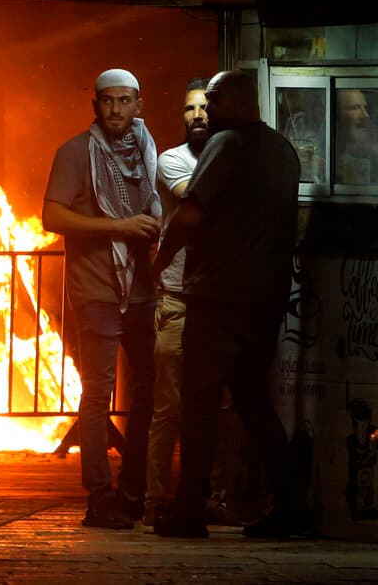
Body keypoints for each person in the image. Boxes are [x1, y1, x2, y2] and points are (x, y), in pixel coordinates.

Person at [152, 71, 301, 539]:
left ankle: (189, 513)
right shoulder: (283, 150)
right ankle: (288, 511)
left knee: (198, 406)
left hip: (217, 298)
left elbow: (191, 213)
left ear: (235, 100)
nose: (207, 110)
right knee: (255, 404)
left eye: (213, 100)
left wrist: (158, 262)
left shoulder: (226, 144)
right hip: (266, 299)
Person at [42, 68, 161, 529]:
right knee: (97, 394)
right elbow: (51, 215)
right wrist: (118, 226)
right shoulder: (75, 152)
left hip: (144, 290)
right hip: (96, 289)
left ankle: (133, 488)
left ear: (138, 104)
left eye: (124, 101)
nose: (116, 109)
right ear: (96, 105)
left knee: (149, 389)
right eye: (107, 101)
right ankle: (99, 495)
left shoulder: (149, 154)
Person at [144, 78, 238, 527]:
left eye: (204, 107)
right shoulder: (172, 160)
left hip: (217, 299)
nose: (196, 115)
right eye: (188, 109)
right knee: (170, 407)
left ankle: (213, 497)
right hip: (179, 298)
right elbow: (196, 201)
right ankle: (157, 498)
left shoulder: (232, 156)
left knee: (217, 406)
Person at [334, 88, 378, 186]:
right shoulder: (326, 152)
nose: (365, 115)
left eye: (365, 107)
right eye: (355, 107)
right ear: (337, 114)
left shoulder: (373, 144)